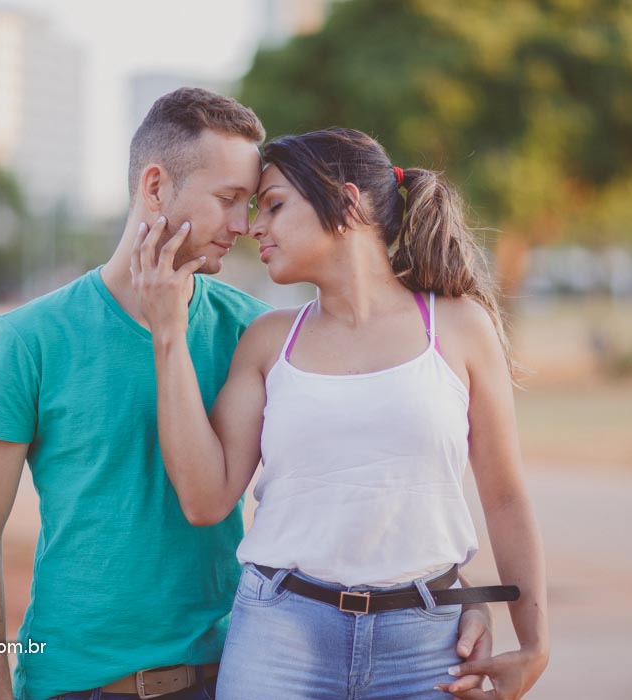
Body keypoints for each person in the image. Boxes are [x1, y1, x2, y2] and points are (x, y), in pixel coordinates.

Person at [0, 89, 492, 700]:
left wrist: (452, 595)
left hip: (231, 675)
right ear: (156, 187)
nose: (243, 226)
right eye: (228, 199)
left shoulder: (259, 335)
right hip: (74, 686)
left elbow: (366, 482)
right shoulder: (32, 338)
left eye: (254, 203)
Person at [135, 128, 550, 700]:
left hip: (428, 647)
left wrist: (534, 645)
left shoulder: (460, 326)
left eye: (274, 205)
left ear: (347, 203)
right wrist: (167, 334)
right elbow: (204, 500)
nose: (254, 227)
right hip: (279, 639)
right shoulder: (267, 341)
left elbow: (504, 497)